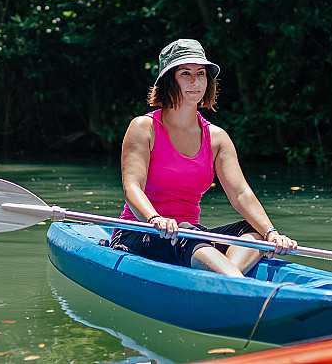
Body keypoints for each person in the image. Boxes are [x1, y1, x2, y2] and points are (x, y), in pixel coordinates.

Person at [111, 38, 297, 277]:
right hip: (141, 232)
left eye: (201, 73)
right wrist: (154, 218)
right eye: (185, 73)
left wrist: (271, 233)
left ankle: (226, 278)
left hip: (192, 234)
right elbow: (132, 188)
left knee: (255, 230)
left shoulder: (217, 138)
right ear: (169, 80)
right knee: (187, 234)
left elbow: (240, 193)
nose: (195, 81)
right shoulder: (143, 127)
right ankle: (236, 284)